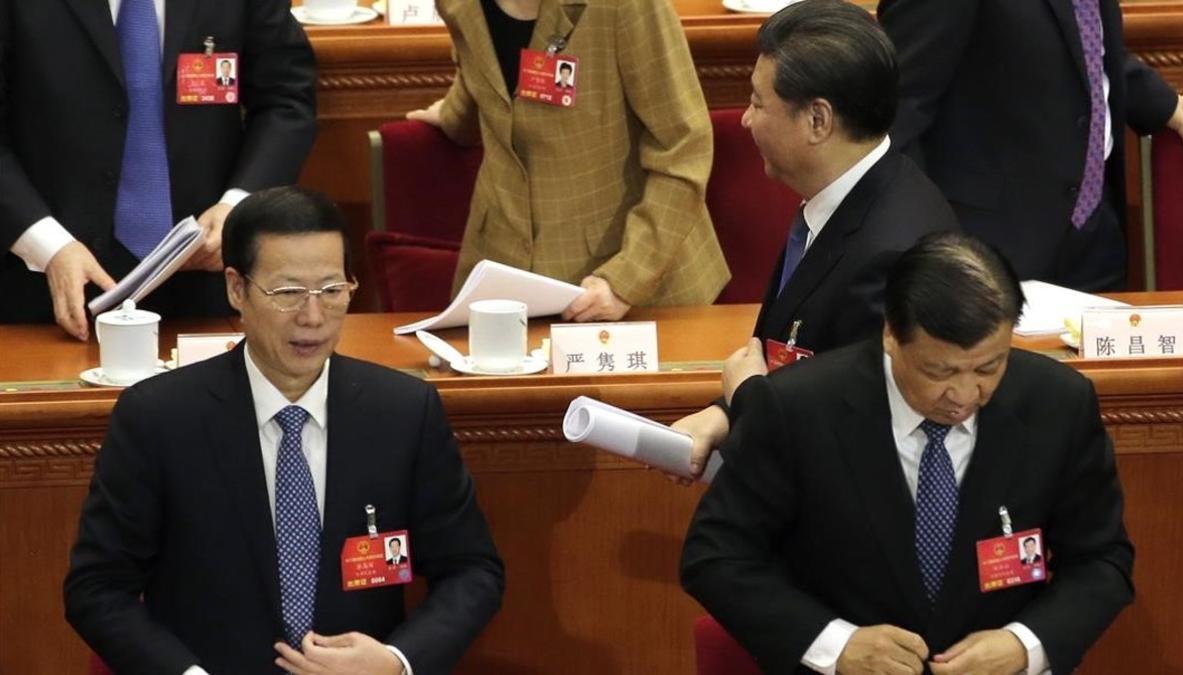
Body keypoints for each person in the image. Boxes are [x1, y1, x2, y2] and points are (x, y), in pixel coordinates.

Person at [64, 188, 504, 675]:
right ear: (237, 289)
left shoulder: (402, 411)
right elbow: (97, 587)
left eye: (332, 291)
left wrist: (397, 662)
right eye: (288, 293)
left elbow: (472, 570)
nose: (312, 317)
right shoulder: (159, 418)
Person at [681, 232, 1132, 675]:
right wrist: (837, 645)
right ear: (891, 335)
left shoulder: (1058, 404)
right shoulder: (796, 408)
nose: (964, 393)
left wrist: (1023, 644)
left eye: (988, 367)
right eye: (940, 370)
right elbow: (716, 556)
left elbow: (1101, 560)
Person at [670, 0, 957, 481]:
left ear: (818, 121)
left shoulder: (891, 256)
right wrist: (723, 414)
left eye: (759, 103)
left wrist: (745, 400)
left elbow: (848, 431)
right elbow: (786, 356)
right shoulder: (843, 197)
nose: (744, 119)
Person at [0, 0, 317, 340]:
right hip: (44, 282)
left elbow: (286, 101)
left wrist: (238, 207)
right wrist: (47, 246)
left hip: (209, 276)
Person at [408, 0, 730, 321]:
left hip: (625, 272)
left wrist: (625, 280)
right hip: (504, 269)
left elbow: (684, 145)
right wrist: (452, 117)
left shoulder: (627, 6)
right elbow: (483, 66)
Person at [877, 0, 1183, 292]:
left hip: (1094, 232)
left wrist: (1158, 101)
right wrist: (923, 244)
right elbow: (900, 108)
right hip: (982, 245)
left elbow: (1085, 44)